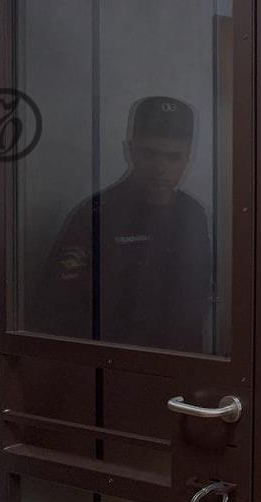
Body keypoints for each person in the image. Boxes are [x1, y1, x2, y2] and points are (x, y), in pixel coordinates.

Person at [31, 96, 213, 353]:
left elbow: (197, 301)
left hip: (180, 364)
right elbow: (56, 307)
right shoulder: (98, 214)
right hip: (113, 363)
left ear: (188, 159)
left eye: (173, 157)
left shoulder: (193, 215)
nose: (160, 168)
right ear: (130, 150)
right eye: (150, 153)